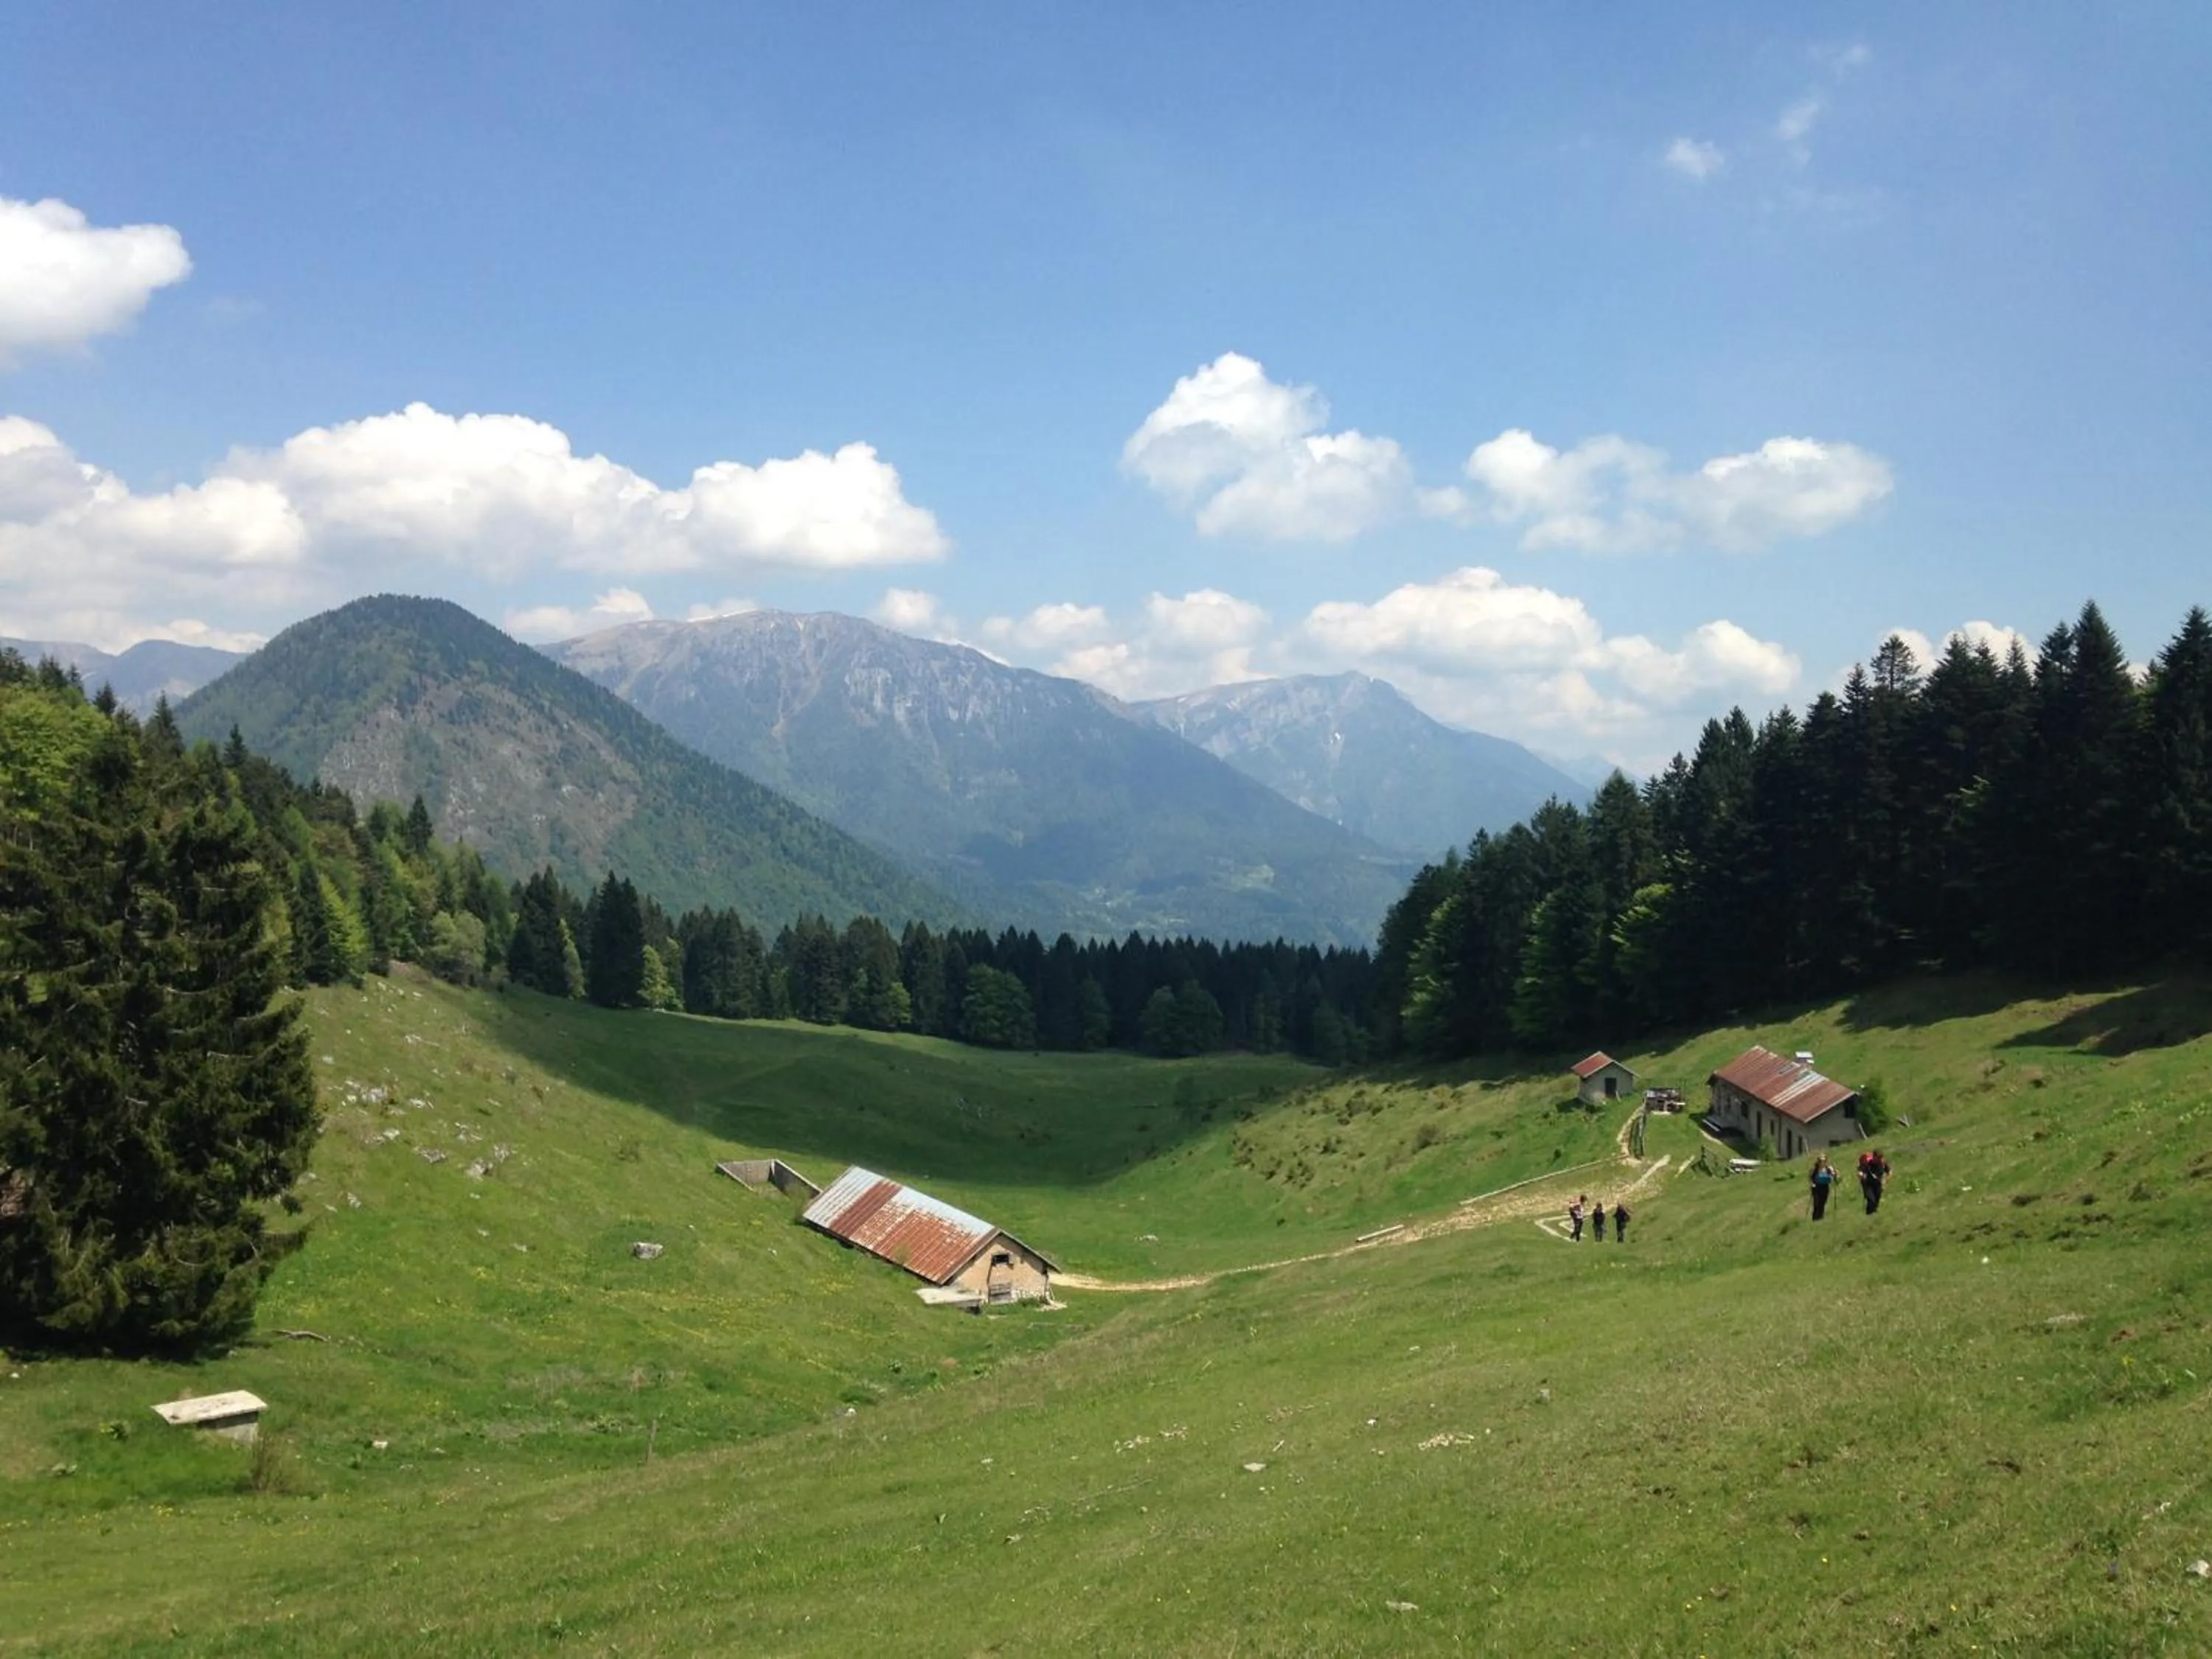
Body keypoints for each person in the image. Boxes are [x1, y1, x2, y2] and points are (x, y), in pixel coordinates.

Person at [1860, 1148, 1891, 1214]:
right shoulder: (1868, 1163)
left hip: (1878, 1183)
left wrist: (1885, 1180)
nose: (1879, 1160)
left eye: (1880, 1158)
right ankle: (1870, 1212)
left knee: (1877, 1198)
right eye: (1878, 1158)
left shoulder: (1883, 1163)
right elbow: (1861, 1171)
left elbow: (1889, 1172)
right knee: (1871, 1199)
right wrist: (1862, 1175)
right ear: (1874, 1157)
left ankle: (1872, 1212)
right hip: (1868, 1183)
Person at [1809, 1154, 1838, 1220]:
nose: (1822, 1162)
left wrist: (1835, 1175)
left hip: (1825, 1187)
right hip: (1816, 1187)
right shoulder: (1815, 1169)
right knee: (1816, 1203)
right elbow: (1810, 1178)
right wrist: (1812, 1184)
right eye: (1821, 1161)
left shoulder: (1829, 1169)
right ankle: (1815, 1218)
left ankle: (1820, 1217)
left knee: (1822, 1203)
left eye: (1824, 1161)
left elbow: (1834, 1176)